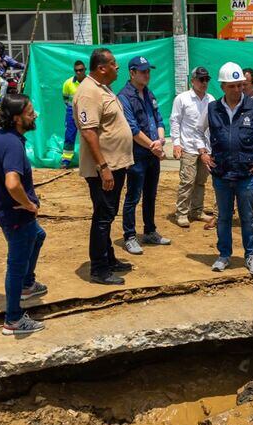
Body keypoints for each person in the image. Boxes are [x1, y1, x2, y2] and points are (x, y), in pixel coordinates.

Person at [197, 62, 253, 275]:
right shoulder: (212, 108)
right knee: (223, 217)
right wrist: (203, 153)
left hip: (246, 174)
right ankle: (224, 255)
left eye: (240, 85)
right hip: (222, 173)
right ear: (222, 86)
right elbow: (197, 131)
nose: (237, 90)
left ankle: (250, 256)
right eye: (232, 86)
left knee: (247, 217)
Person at [0, 93, 46, 336]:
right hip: (17, 216)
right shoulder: (14, 145)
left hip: (4, 211)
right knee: (15, 265)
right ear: (18, 118)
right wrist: (28, 204)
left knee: (39, 235)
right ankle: (14, 320)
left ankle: (28, 285)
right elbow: (12, 183)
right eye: (30, 113)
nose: (34, 115)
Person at [75, 48, 134, 286]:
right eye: (114, 64)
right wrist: (104, 167)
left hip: (115, 164)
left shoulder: (102, 88)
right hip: (104, 168)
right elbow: (89, 132)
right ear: (102, 68)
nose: (117, 68)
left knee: (108, 215)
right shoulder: (89, 92)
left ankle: (108, 259)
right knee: (103, 216)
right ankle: (99, 269)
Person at [118, 56, 171, 255]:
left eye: (148, 71)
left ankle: (150, 231)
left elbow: (158, 119)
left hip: (152, 152)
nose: (147, 75)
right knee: (133, 196)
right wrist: (153, 146)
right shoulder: (124, 97)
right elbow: (131, 128)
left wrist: (160, 141)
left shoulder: (149, 94)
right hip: (137, 154)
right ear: (132, 73)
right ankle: (129, 236)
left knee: (151, 194)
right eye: (143, 71)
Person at [170, 66, 214, 228]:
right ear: (192, 81)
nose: (204, 83)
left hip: (206, 148)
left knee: (201, 181)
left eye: (206, 79)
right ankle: (181, 213)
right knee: (187, 180)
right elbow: (175, 121)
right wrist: (176, 143)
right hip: (188, 146)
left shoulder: (211, 100)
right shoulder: (182, 99)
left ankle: (196, 210)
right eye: (201, 79)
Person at [61, 60, 87, 168]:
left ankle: (90, 160)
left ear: (85, 70)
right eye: (76, 70)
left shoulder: (90, 82)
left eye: (81, 70)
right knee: (70, 135)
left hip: (87, 111)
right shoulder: (68, 83)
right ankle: (66, 160)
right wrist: (71, 108)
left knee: (89, 134)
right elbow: (65, 98)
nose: (79, 72)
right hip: (72, 111)